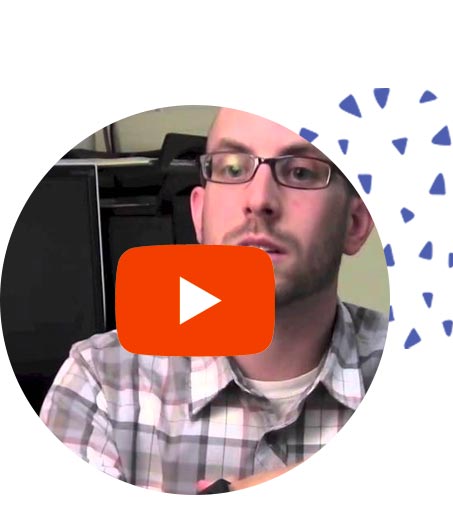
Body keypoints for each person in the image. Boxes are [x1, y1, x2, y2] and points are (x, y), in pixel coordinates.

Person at [40, 107, 388, 494]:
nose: (259, 199)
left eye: (301, 172)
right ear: (199, 214)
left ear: (355, 224)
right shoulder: (98, 382)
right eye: (233, 169)